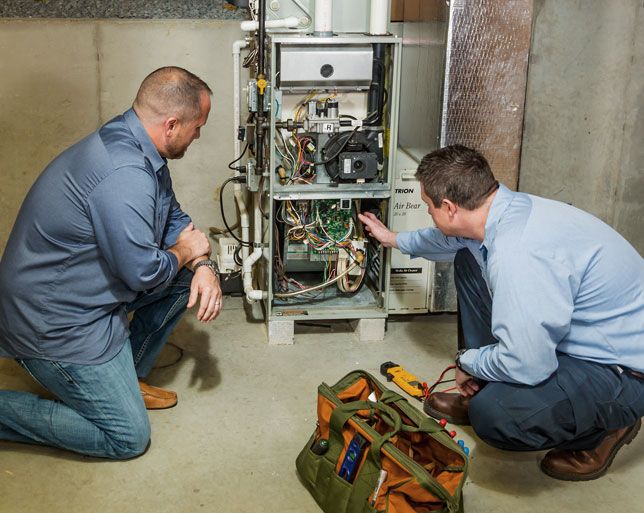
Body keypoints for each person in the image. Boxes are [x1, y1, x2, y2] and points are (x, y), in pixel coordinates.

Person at [359, 145, 644, 481]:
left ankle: (604, 430)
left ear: (449, 207)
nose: (428, 213)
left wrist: (469, 360)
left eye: (428, 206)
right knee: (468, 259)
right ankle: (488, 383)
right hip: (581, 334)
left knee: (496, 415)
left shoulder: (517, 255)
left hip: (620, 370)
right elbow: (445, 239)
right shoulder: (505, 209)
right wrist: (393, 239)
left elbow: (529, 363)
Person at [0, 66, 223, 459]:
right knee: (127, 437)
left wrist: (203, 265)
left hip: (86, 296)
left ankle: (125, 379)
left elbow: (173, 218)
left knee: (183, 279)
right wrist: (187, 252)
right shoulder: (125, 173)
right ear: (172, 124)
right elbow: (143, 272)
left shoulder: (136, 142)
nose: (198, 135)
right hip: (53, 323)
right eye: (197, 127)